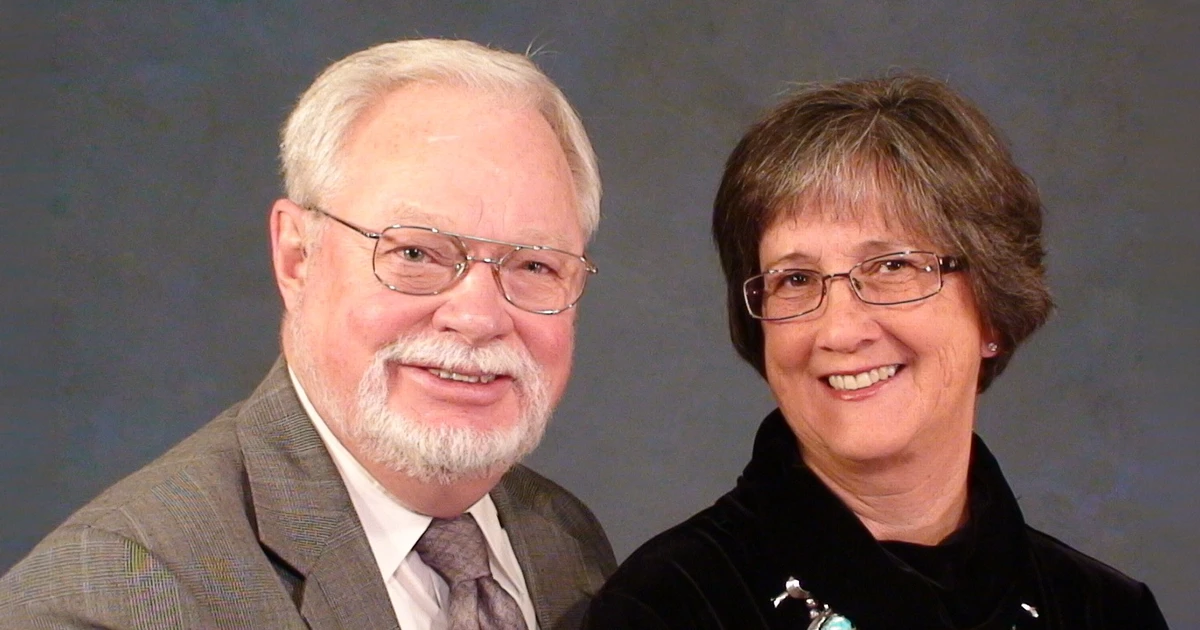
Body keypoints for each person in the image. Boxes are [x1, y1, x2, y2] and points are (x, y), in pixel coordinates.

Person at [0, 38, 615, 629]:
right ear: (297, 257)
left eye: (534, 265)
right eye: (416, 254)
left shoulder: (563, 542)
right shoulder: (111, 597)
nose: (479, 318)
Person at [585, 76, 1168, 629]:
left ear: (993, 306)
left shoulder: (1104, 611)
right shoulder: (670, 605)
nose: (839, 330)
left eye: (893, 266)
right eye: (795, 279)